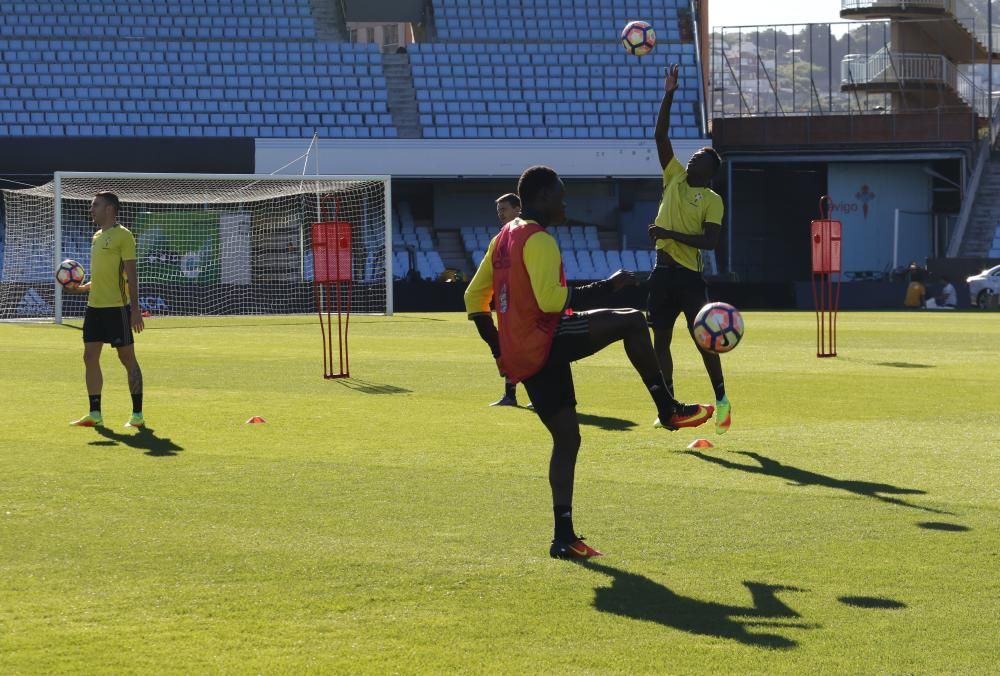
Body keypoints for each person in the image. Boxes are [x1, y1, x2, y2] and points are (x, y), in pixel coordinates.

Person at [464, 165, 713, 561]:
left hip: (523, 355)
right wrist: (606, 287)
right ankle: (667, 408)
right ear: (543, 196)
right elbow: (551, 303)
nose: (565, 201)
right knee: (632, 320)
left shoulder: (503, 238)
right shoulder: (539, 240)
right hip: (546, 339)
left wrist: (500, 350)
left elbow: (472, 299)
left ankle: (563, 536)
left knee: (568, 439)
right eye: (560, 194)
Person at [645, 63, 731, 435]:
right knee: (659, 341)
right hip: (662, 273)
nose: (692, 158)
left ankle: (722, 398)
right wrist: (669, 92)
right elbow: (660, 135)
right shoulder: (674, 178)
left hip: (690, 277)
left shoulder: (712, 199)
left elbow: (710, 243)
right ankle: (670, 406)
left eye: (700, 159)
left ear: (709, 172)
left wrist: (668, 231)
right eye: (694, 155)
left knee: (703, 340)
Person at [68, 191, 146, 428]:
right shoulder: (96, 237)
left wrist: (134, 310)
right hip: (94, 308)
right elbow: (103, 275)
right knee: (89, 357)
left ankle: (137, 415)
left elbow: (131, 275)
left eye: (96, 205)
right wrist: (83, 288)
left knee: (127, 359)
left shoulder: (124, 236)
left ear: (110, 209)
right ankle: (95, 413)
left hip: (116, 309)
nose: (91, 210)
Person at [489, 192, 524, 407]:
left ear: (517, 209)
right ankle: (510, 395)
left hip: (523, 303)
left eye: (504, 209)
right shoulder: (503, 236)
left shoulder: (525, 233)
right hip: (507, 303)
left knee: (525, 348)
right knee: (510, 348)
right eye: (498, 210)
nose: (500, 214)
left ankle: (517, 395)